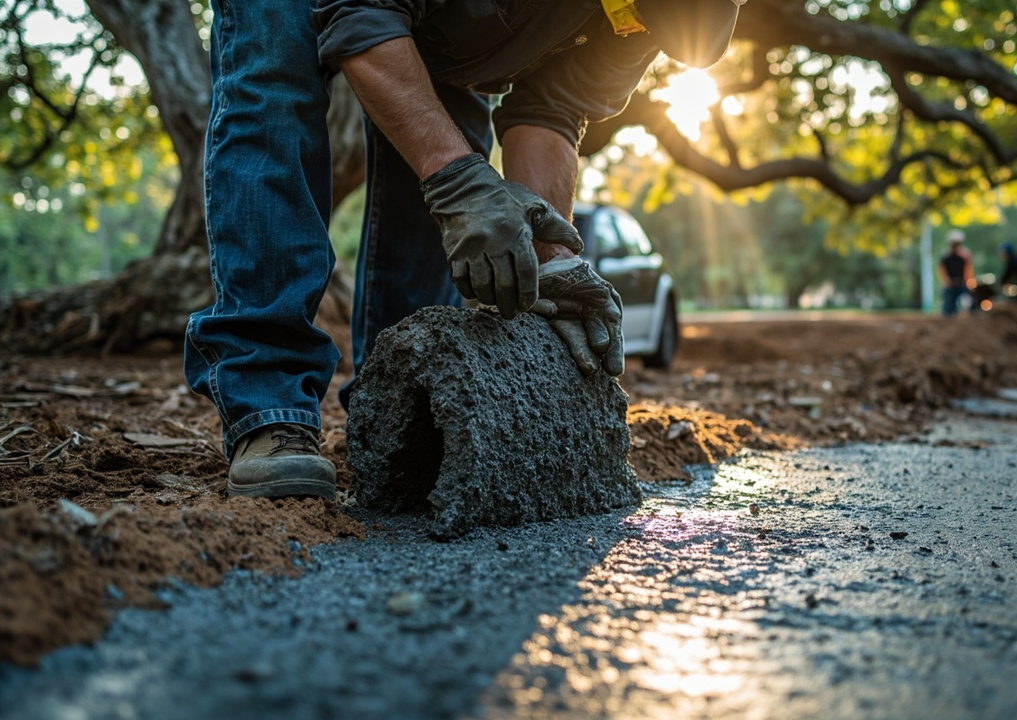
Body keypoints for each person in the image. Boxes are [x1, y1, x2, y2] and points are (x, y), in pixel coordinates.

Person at [184, 0, 745, 500]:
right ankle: (270, 407)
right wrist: (456, 182)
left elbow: (551, 108)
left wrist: (550, 256)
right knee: (277, 67)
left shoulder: (642, 16)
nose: (631, 24)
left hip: (444, 23)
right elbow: (362, 11)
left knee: (448, 140)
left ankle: (393, 421)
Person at [937, 229, 975, 317]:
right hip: (950, 283)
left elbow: (968, 269)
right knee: (948, 303)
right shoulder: (945, 255)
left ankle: (970, 315)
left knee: (968, 300)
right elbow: (942, 269)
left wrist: (969, 280)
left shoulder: (965, 255)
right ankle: (948, 316)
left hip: (962, 281)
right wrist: (946, 280)